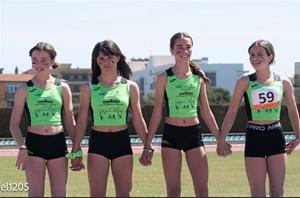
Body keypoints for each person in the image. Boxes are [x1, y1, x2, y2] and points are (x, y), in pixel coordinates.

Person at [144, 32, 231, 197]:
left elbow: (206, 111)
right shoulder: (164, 77)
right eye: (180, 47)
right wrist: (148, 145)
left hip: (193, 134)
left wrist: (220, 138)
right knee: (174, 191)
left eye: (188, 47)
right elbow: (157, 112)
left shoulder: (198, 78)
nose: (184, 50)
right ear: (172, 50)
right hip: (172, 134)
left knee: (202, 189)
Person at [217, 39, 300, 197]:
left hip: (276, 136)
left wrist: (298, 136)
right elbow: (232, 111)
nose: (255, 58)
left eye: (260, 54)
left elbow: (293, 110)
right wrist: (221, 139)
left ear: (270, 57)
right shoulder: (244, 82)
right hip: (255, 137)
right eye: (252, 55)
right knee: (257, 193)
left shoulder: (283, 82)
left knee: (277, 192)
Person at [70, 40, 152, 197]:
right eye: (101, 58)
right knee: (97, 194)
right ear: (96, 61)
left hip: (121, 142)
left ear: (118, 58)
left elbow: (138, 119)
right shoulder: (89, 88)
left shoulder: (130, 86)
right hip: (98, 142)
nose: (106, 62)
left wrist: (147, 146)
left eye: (109, 57)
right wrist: (75, 149)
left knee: (124, 193)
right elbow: (81, 121)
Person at [9, 42, 75, 197]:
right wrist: (22, 147)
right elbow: (13, 125)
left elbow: (70, 120)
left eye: (44, 60)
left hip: (58, 142)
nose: (39, 64)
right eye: (34, 60)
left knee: (60, 194)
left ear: (52, 61)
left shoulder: (62, 87)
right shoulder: (24, 89)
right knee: (35, 193)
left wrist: (76, 147)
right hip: (34, 144)